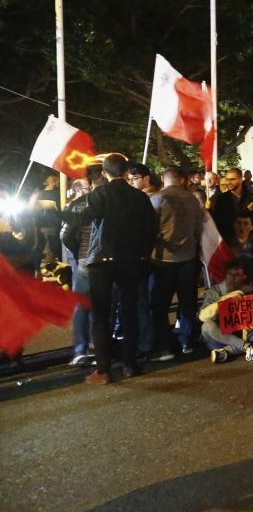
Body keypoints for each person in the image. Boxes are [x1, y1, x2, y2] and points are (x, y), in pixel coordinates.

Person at [57, 153, 158, 384]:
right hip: (131, 261)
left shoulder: (99, 194)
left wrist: (51, 213)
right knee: (129, 312)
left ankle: (102, 370)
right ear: (126, 172)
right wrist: (142, 255)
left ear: (104, 172)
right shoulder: (139, 197)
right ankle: (130, 365)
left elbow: (80, 220)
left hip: (101, 261)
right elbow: (151, 229)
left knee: (101, 315)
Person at [148, 166, 205, 360]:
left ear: (163, 178)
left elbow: (150, 229)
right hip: (188, 258)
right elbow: (199, 228)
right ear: (181, 179)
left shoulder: (156, 199)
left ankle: (164, 346)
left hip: (163, 259)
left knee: (159, 305)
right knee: (187, 303)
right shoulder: (193, 199)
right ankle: (188, 341)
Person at [199, 261, 253, 364]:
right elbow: (202, 316)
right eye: (229, 274)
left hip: (241, 335)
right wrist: (225, 299)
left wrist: (252, 323)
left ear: (244, 277)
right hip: (220, 339)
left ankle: (227, 352)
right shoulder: (215, 290)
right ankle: (246, 347)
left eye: (236, 275)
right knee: (207, 326)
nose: (231, 278)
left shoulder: (249, 290)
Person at [61, 178, 94, 366]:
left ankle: (91, 346)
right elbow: (65, 235)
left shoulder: (95, 204)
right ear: (78, 190)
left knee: (94, 303)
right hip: (82, 261)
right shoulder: (73, 207)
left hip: (86, 260)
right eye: (88, 188)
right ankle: (82, 348)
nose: (90, 190)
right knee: (83, 303)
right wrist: (78, 252)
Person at [210, 167, 253, 239]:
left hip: (248, 240)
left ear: (241, 180)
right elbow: (218, 221)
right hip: (227, 239)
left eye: (232, 179)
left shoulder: (252, 198)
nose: (229, 182)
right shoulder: (220, 199)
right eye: (227, 179)